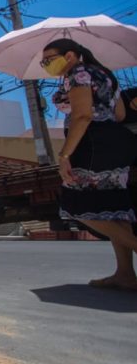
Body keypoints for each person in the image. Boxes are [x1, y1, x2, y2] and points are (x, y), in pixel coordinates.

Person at [43, 38, 137, 291]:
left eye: (49, 59)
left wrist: (65, 155)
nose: (46, 65)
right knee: (115, 210)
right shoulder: (105, 75)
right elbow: (119, 114)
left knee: (75, 205)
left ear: (70, 55)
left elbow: (83, 115)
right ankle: (125, 274)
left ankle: (128, 267)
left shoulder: (78, 74)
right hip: (118, 143)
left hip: (93, 144)